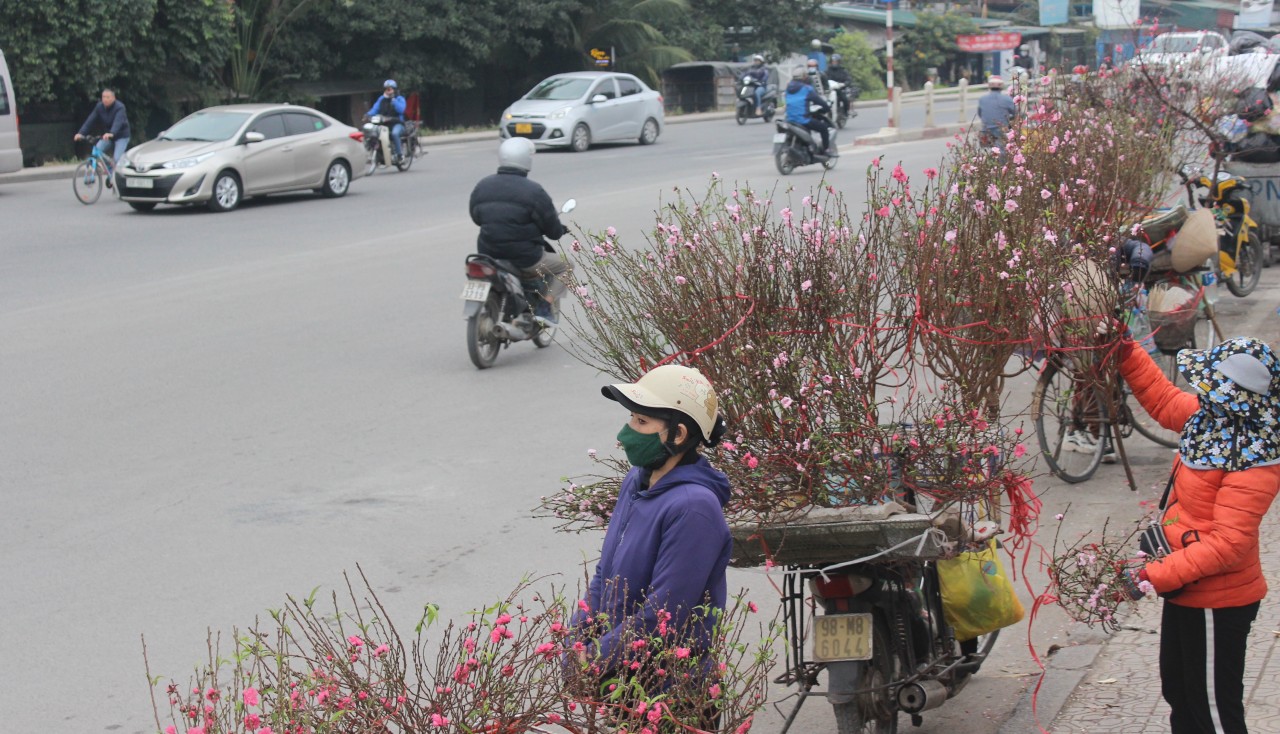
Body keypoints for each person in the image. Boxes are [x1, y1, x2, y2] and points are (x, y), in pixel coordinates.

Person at [1115, 334, 1280, 734]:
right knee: (1180, 695)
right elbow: (1163, 400)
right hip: (1187, 585)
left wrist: (1152, 575)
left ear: (1234, 399)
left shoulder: (1254, 456)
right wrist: (1123, 347)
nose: (1201, 395)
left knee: (1213, 712)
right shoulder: (1211, 420)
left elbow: (1228, 544)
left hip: (1217, 602)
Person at [572, 363, 732, 724]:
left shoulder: (693, 508)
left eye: (642, 423)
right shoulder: (638, 481)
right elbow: (606, 574)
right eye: (632, 418)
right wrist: (577, 640)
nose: (626, 433)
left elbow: (664, 612)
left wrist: (598, 656)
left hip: (672, 690)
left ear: (678, 434)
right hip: (624, 674)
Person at [468, 137, 569, 324]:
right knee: (566, 265)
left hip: (488, 255)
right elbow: (553, 231)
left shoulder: (482, 185)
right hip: (525, 259)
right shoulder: (534, 192)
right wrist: (559, 230)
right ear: (526, 160)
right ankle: (545, 307)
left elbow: (476, 217)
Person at [73, 88, 130, 175]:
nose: (105, 99)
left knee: (117, 158)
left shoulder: (120, 107)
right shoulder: (99, 107)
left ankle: (120, 175)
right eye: (103, 97)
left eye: (108, 97)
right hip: (107, 136)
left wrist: (112, 133)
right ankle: (109, 169)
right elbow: (90, 121)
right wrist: (81, 133)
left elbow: (118, 122)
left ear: (113, 98)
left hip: (121, 136)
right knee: (97, 151)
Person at [785, 67, 835, 155]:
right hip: (803, 119)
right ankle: (826, 150)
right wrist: (827, 108)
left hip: (790, 119)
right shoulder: (807, 89)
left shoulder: (788, 87)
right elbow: (819, 101)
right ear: (804, 77)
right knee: (823, 128)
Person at [367, 79, 407, 164]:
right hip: (385, 123)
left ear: (394, 89)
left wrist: (394, 101)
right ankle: (377, 153)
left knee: (395, 133)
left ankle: (400, 156)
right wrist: (368, 114)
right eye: (386, 89)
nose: (388, 91)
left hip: (397, 123)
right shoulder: (381, 99)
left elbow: (401, 110)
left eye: (390, 89)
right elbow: (375, 109)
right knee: (373, 131)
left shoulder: (399, 99)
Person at [977, 76, 1018, 156]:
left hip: (985, 129)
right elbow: (1016, 112)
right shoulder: (1007, 99)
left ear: (989, 86)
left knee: (986, 151)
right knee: (1002, 151)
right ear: (1001, 86)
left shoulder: (982, 99)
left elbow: (980, 113)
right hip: (1001, 129)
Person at [825, 54, 857, 118]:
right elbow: (824, 79)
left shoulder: (843, 71)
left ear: (839, 62)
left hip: (840, 89)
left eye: (836, 61)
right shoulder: (827, 71)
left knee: (845, 99)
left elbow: (848, 79)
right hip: (830, 90)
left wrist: (844, 84)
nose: (834, 63)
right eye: (833, 61)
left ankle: (845, 112)